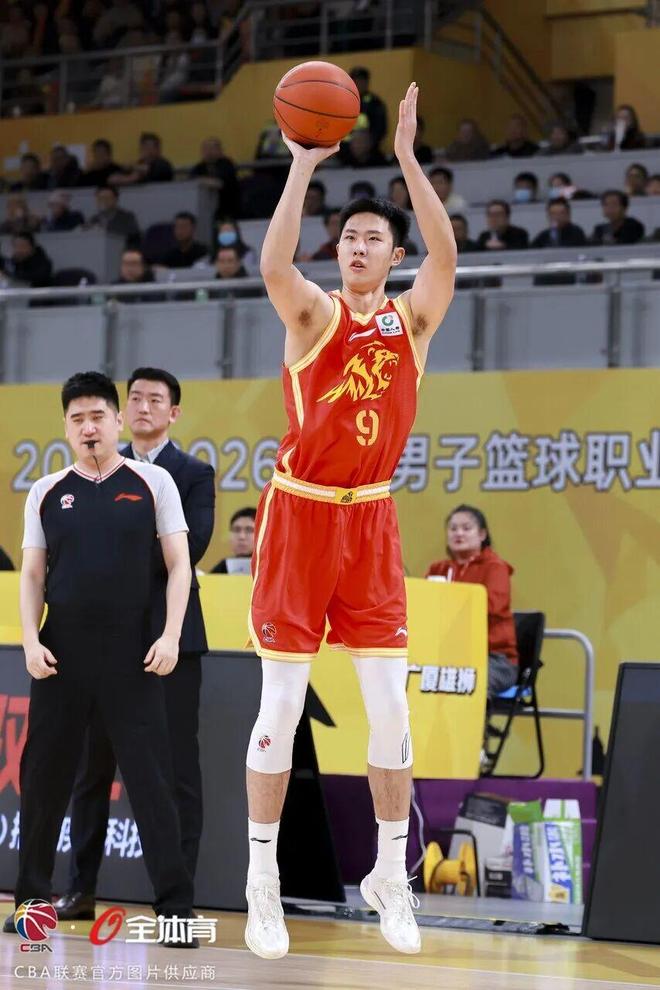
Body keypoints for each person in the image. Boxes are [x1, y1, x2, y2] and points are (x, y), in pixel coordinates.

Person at [245, 82, 456, 960]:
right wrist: (302, 165)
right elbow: (273, 265)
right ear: (337, 253)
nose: (359, 245)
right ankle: (262, 882)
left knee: (390, 712)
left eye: (374, 237)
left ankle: (388, 873)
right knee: (281, 704)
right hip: (299, 516)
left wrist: (406, 157)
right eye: (349, 238)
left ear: (393, 254)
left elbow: (448, 255)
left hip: (369, 522)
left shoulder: (412, 323)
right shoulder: (314, 315)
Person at [3, 372, 197, 945]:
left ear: (117, 421)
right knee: (43, 782)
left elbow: (180, 565)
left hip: (134, 656)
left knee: (152, 784)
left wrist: (170, 636)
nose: (88, 428)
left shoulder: (154, 482)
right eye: (77, 419)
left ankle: (176, 912)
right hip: (60, 656)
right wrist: (30, 640)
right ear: (66, 427)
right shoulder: (46, 491)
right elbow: (32, 574)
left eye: (97, 417)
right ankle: (31, 905)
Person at [54, 368, 215, 921]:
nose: (144, 407)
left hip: (172, 641)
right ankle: (80, 889)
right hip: (102, 642)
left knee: (175, 772)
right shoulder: (90, 474)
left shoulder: (192, 475)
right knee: (91, 769)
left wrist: (110, 551)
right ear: (121, 414)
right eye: (136, 398)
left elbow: (189, 549)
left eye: (156, 400)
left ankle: (177, 900)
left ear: (174, 412)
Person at [426, 505, 518, 699]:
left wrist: (449, 602)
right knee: (412, 677)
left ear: (482, 534)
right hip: (445, 656)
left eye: (466, 528)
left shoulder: (496, 568)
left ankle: (472, 721)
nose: (458, 533)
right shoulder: (438, 570)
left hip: (494, 659)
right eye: (453, 528)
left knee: (467, 683)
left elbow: (491, 605)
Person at [189, 137, 240, 217]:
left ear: (220, 150)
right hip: (203, 208)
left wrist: (202, 181)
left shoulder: (227, 164)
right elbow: (191, 182)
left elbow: (220, 183)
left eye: (212, 148)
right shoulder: (199, 167)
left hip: (227, 207)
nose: (209, 152)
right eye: (206, 149)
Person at [110, 132, 174, 186]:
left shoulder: (163, 165)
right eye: (145, 147)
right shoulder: (138, 164)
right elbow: (113, 179)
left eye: (151, 147)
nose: (149, 151)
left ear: (158, 149)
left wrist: (131, 175)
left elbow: (147, 170)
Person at [349, 66, 388, 150]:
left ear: (367, 82)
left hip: (368, 151)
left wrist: (366, 144)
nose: (358, 83)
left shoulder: (375, 103)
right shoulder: (343, 101)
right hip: (344, 150)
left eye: (362, 80)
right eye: (355, 80)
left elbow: (380, 129)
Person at [211, 507, 256, 573]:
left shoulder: (269, 567)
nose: (241, 537)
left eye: (249, 530)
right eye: (236, 530)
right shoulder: (223, 567)